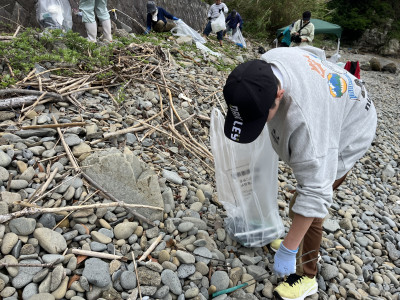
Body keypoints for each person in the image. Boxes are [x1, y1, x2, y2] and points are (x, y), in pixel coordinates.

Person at [222, 46, 377, 300]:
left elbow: (317, 192)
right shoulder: (267, 63)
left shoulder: (309, 124)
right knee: (302, 196)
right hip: (333, 97)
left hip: (353, 126)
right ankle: (295, 240)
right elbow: (313, 52)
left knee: (308, 207)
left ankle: (306, 276)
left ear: (279, 94)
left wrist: (288, 248)